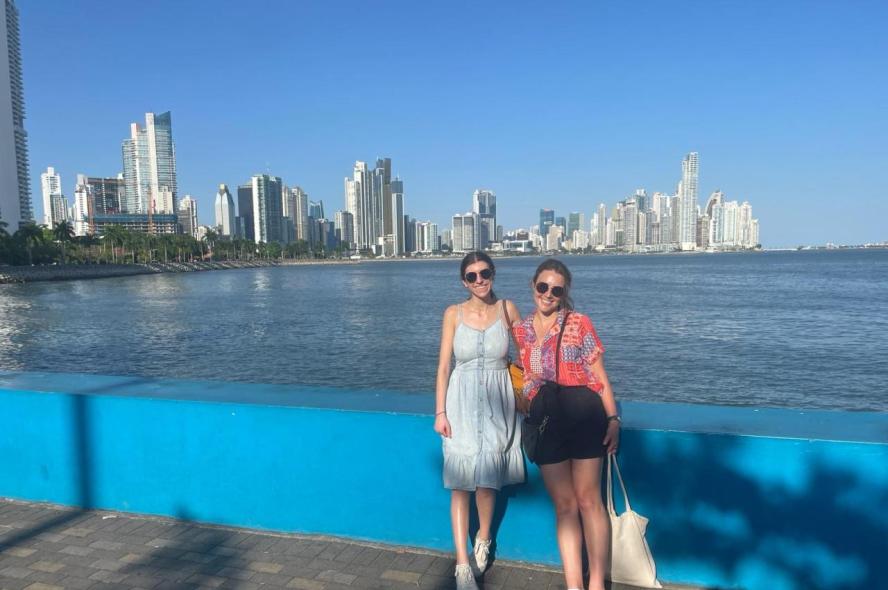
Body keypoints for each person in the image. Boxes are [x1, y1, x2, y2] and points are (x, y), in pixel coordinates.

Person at [512, 258, 621, 590]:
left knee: (589, 500)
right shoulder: (522, 329)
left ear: (564, 293)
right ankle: (574, 583)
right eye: (543, 286)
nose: (548, 294)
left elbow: (599, 375)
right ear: (533, 286)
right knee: (564, 505)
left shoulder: (579, 323)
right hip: (547, 418)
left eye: (556, 289)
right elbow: (524, 376)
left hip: (585, 413)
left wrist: (613, 418)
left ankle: (597, 582)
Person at [434, 251, 525, 590]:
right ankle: (461, 565)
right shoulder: (453, 314)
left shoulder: (508, 310)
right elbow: (444, 366)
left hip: (498, 406)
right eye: (471, 276)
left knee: (488, 482)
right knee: (460, 485)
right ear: (463, 281)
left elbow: (527, 356)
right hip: (460, 405)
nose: (479, 280)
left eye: (484, 272)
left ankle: (483, 538)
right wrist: (440, 412)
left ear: (493, 273)